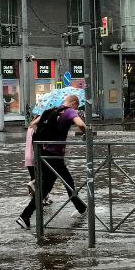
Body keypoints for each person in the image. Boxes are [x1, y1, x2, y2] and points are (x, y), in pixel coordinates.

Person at [19, 95, 88, 229]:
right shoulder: (70, 111)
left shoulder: (51, 111)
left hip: (44, 154)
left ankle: (81, 208)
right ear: (73, 103)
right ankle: (24, 216)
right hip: (56, 156)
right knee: (60, 185)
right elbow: (81, 124)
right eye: (77, 107)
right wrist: (86, 134)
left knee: (62, 184)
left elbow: (33, 124)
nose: (77, 109)